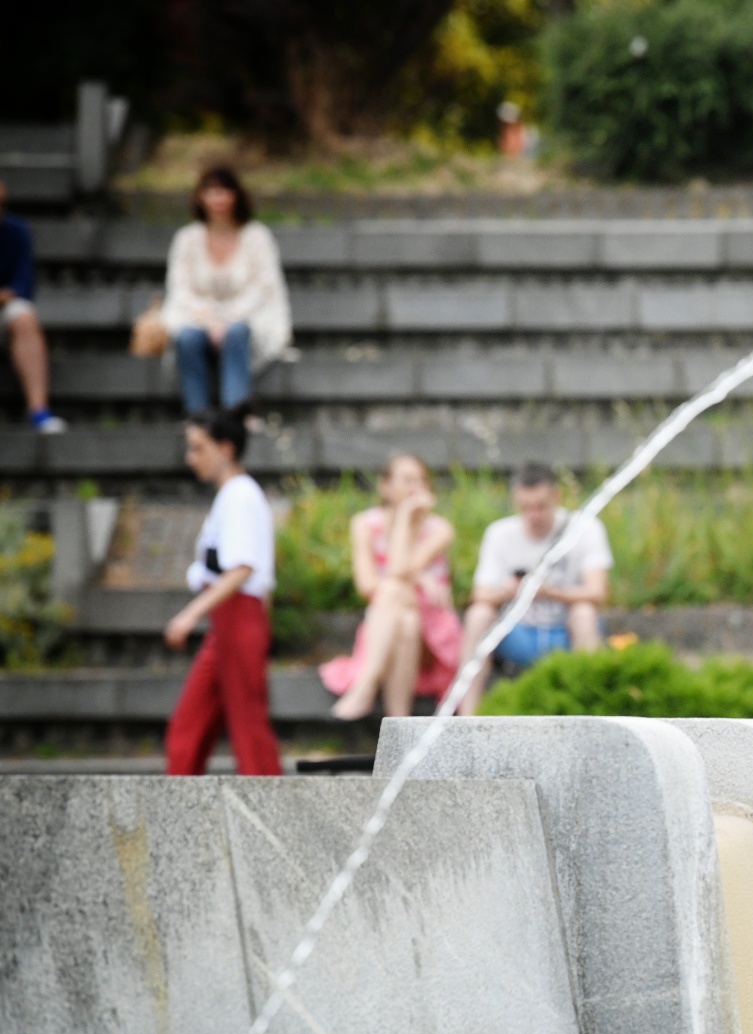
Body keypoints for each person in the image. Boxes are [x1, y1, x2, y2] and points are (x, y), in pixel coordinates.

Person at [164, 405, 280, 775]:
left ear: (225, 448)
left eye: (199, 448)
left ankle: (272, 816)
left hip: (239, 618)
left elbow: (243, 568)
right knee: (189, 729)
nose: (191, 457)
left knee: (248, 732)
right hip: (231, 623)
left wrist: (190, 614)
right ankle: (179, 812)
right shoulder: (233, 495)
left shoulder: (240, 496)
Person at [457, 462, 612, 715]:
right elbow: (479, 595)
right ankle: (465, 717)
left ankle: (591, 713)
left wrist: (549, 592)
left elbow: (598, 592)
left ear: (556, 497)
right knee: (478, 615)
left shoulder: (585, 528)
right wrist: (510, 591)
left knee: (583, 611)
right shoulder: (499, 533)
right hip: (518, 633)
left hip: (564, 630)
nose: (534, 515)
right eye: (526, 507)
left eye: (541, 506)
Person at [321, 454, 463, 721]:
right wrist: (420, 578)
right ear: (385, 486)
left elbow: (397, 570)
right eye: (407, 480)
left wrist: (404, 518)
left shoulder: (440, 529)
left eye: (421, 480)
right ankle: (399, 725)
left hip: (433, 632)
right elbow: (366, 586)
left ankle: (366, 685)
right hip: (390, 623)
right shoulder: (365, 524)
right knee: (404, 617)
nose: (416, 487)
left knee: (394, 590)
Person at [161, 165, 291, 415]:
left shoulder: (257, 237)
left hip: (248, 319)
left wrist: (228, 319)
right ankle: (198, 418)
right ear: (200, 196)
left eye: (224, 190)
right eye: (211, 191)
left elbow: (264, 288)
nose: (218, 198)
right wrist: (209, 320)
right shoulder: (187, 239)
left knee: (236, 333)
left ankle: (235, 416)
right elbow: (180, 289)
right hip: (197, 318)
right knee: (188, 338)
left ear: (237, 195)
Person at [0, 180, 67, 433]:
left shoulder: (17, 231)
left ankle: (39, 411)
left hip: (5, 310)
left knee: (25, 317)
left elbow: (23, 288)